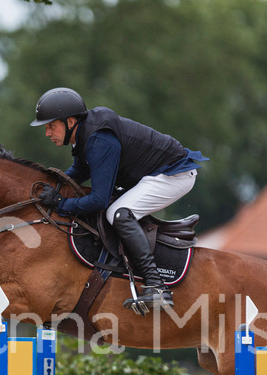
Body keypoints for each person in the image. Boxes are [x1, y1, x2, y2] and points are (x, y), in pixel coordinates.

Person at [30, 87, 207, 311]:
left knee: (119, 213)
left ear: (71, 121)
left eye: (51, 126)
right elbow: (78, 172)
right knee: (116, 209)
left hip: (173, 175)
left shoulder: (99, 140)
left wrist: (60, 204)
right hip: (153, 174)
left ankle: (157, 285)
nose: (47, 133)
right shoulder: (84, 135)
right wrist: (51, 184)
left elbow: (98, 200)